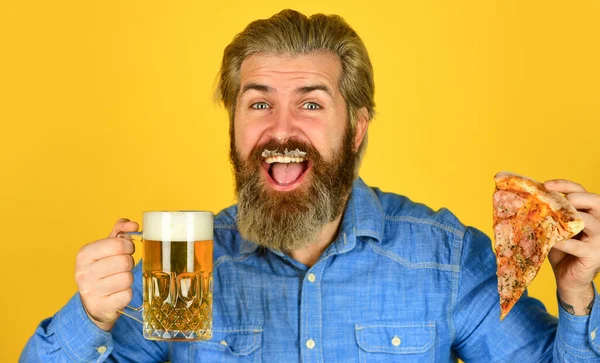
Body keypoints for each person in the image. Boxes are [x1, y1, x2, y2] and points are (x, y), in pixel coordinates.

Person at [21, 9, 600, 362]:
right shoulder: (183, 262)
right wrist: (90, 320)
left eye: (311, 103)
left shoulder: (443, 259)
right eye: (258, 103)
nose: (280, 129)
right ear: (233, 123)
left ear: (357, 129)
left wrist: (577, 298)